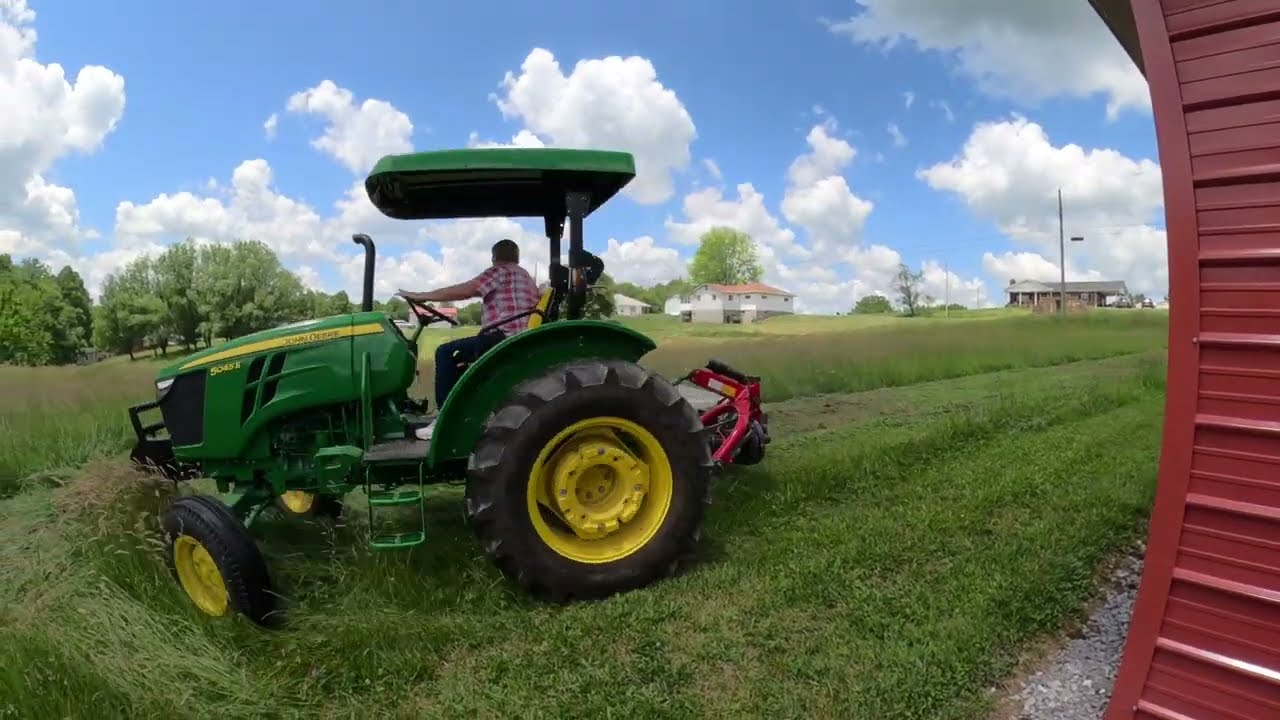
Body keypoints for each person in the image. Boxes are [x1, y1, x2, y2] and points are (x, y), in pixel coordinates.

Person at [397, 239, 540, 418]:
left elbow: (467, 290)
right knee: (458, 357)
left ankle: (444, 417)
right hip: (520, 337)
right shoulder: (525, 276)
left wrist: (421, 296)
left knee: (444, 352)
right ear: (517, 258)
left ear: (494, 258)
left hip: (502, 338)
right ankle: (465, 410)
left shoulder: (499, 272)